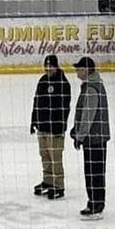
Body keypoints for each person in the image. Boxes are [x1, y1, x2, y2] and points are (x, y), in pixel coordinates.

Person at [70, 57, 109, 219]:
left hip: (94, 137)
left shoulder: (92, 88)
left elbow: (88, 115)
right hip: (96, 136)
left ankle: (96, 205)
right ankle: (94, 203)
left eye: (79, 69)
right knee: (95, 172)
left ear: (86, 70)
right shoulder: (93, 85)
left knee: (94, 172)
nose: (77, 72)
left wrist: (80, 136)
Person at [30, 54, 71, 200]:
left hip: (55, 129)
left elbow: (65, 107)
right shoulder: (42, 81)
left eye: (51, 66)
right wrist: (33, 120)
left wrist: (61, 126)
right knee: (45, 156)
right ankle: (47, 181)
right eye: (46, 66)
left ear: (56, 66)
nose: (48, 69)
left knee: (56, 158)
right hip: (42, 126)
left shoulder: (63, 83)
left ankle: (58, 185)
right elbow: (36, 101)